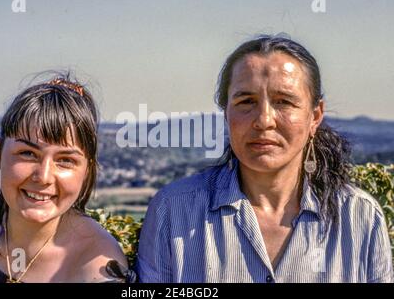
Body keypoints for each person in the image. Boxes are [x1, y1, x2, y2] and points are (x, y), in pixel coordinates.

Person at [136, 35, 394, 283]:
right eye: (246, 101)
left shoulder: (359, 217)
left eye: (283, 102)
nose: (263, 121)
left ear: (315, 116)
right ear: (226, 112)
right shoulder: (173, 211)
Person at [0, 73, 135, 283]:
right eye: (28, 153)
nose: (43, 176)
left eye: (65, 160)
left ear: (87, 171)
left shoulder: (97, 265)